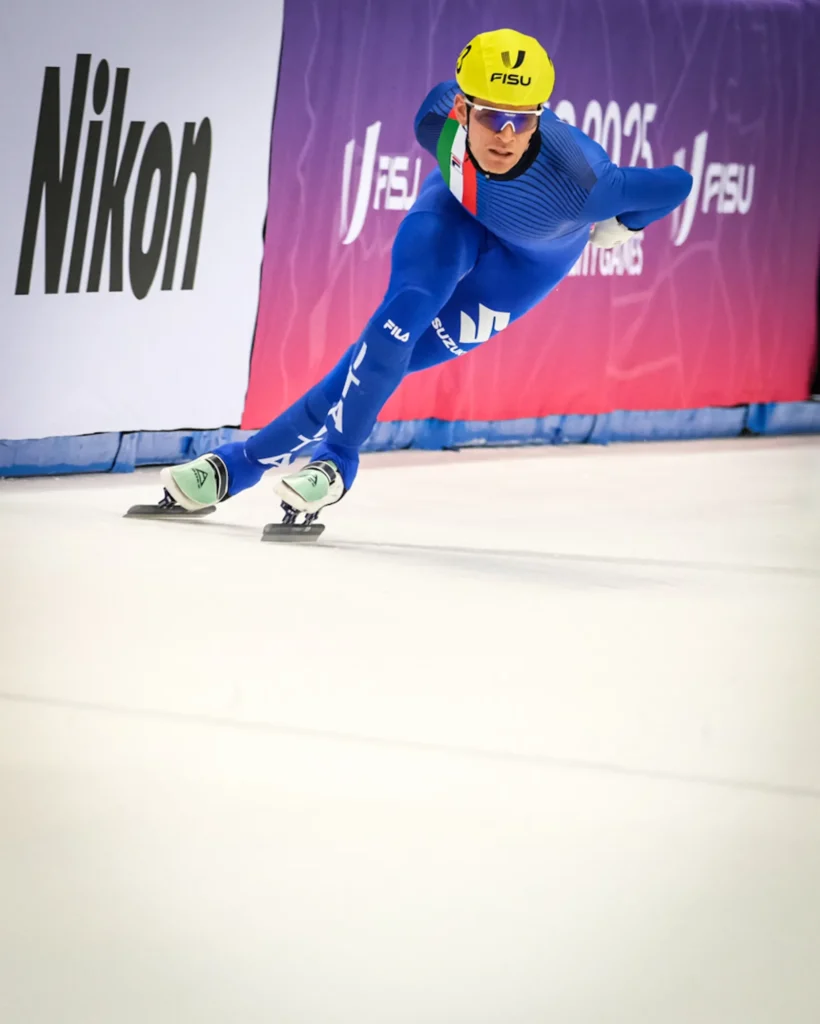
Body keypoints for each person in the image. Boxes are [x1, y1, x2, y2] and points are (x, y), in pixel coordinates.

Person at [154, 27, 693, 522]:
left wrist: (622, 224)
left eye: (522, 120)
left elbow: (677, 182)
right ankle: (331, 462)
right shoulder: (432, 120)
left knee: (385, 363)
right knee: (397, 320)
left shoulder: (587, 183)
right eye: (490, 119)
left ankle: (256, 463)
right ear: (461, 109)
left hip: (529, 262)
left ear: (540, 114)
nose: (506, 136)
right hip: (455, 213)